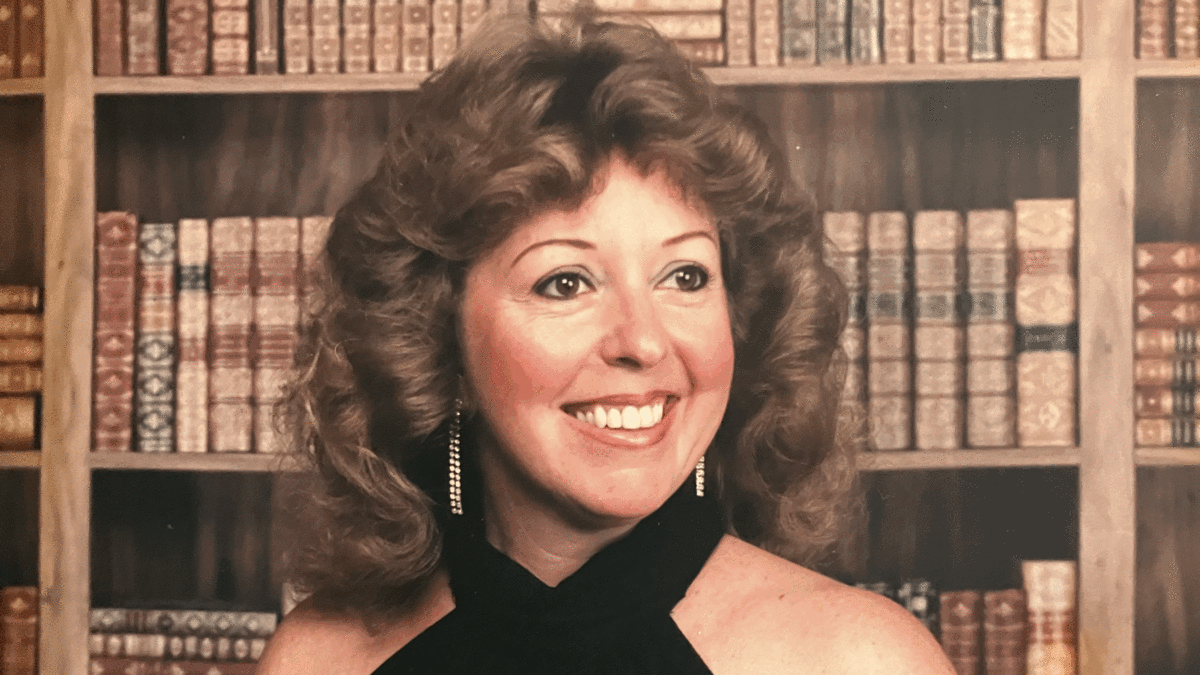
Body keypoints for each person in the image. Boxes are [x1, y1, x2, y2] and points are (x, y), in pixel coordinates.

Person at [258, 13, 954, 675]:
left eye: (685, 276)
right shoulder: (320, 661)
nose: (643, 342)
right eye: (565, 283)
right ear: (437, 343)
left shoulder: (861, 659)